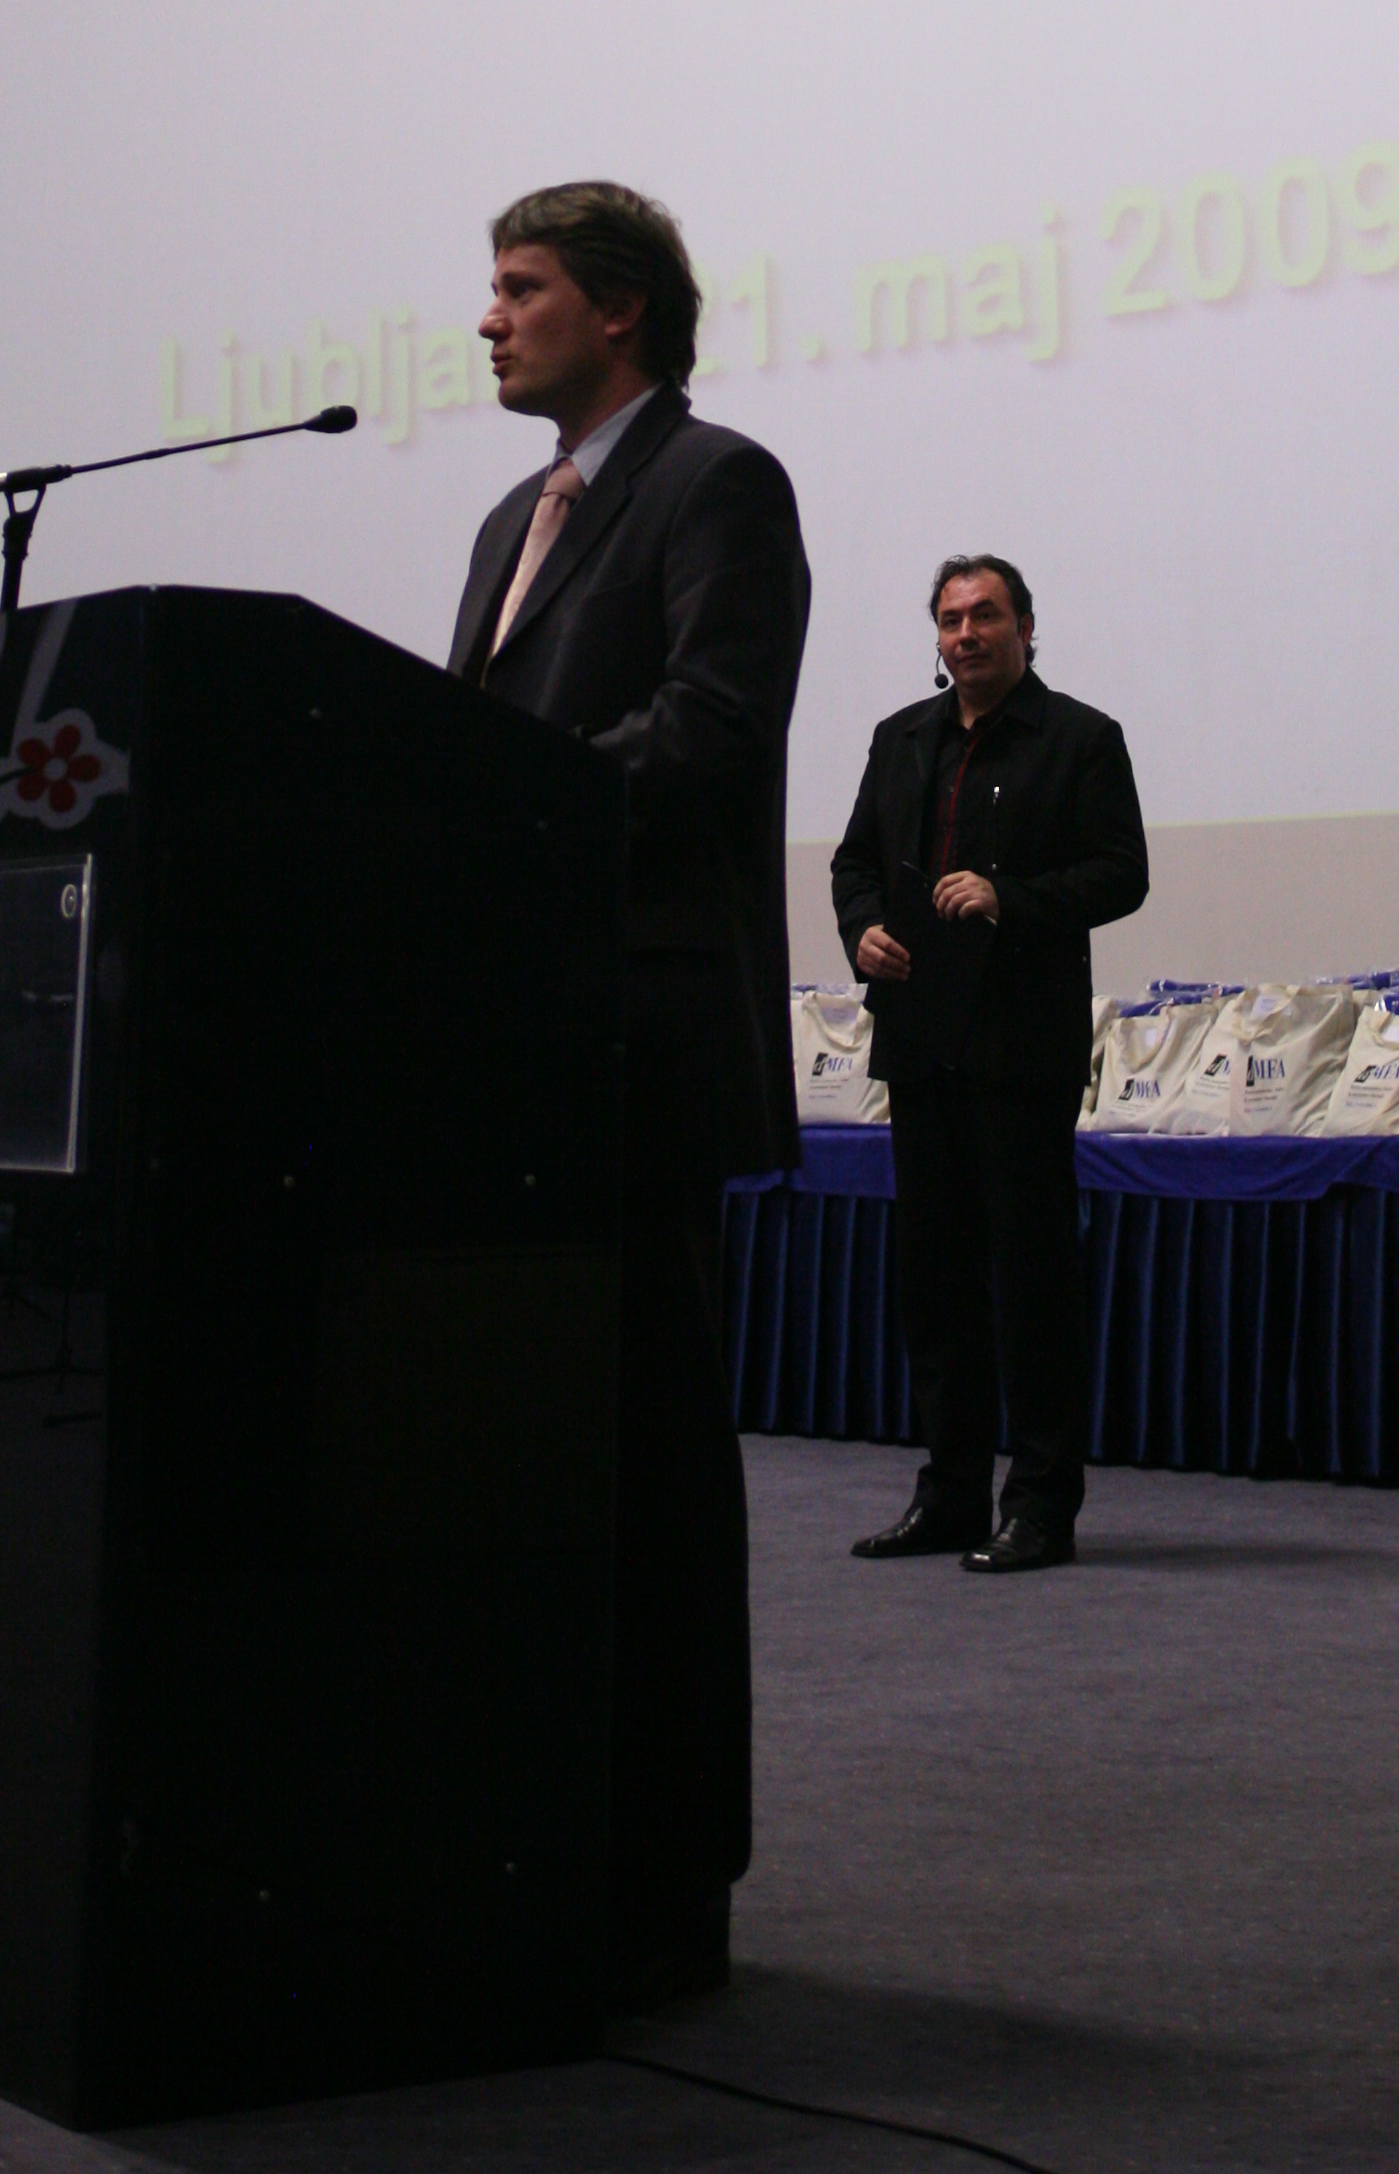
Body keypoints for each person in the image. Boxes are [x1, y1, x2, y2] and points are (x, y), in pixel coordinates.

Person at [448, 180, 809, 2011]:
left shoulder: (715, 482)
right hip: (515, 1042)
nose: (487, 319)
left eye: (520, 288)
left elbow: (711, 730)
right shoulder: (510, 518)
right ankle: (532, 1839)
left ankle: (669, 1876)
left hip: (639, 1044)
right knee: (528, 1458)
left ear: (621, 311)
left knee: (651, 1466)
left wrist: (486, 817)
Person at [830, 554, 1147, 1573]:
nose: (965, 634)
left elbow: (1122, 875)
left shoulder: (1081, 739)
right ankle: (951, 1497)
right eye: (950, 619)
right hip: (921, 1040)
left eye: (985, 616)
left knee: (1031, 1284)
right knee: (936, 1288)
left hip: (1021, 1045)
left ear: (1025, 628)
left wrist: (1010, 898)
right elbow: (854, 864)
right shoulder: (899, 739)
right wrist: (863, 930)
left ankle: (1042, 1506)